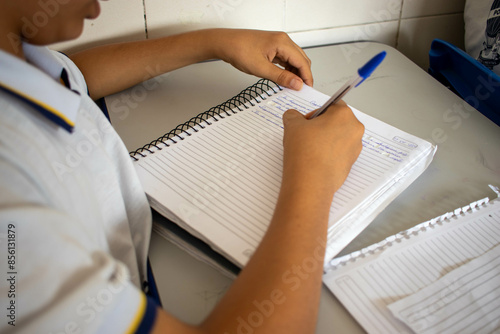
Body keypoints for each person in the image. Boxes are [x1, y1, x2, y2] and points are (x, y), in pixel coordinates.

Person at [0, 0, 364, 333]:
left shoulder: (19, 58)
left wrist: (214, 42)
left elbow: (73, 77)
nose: (98, 8)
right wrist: (314, 175)